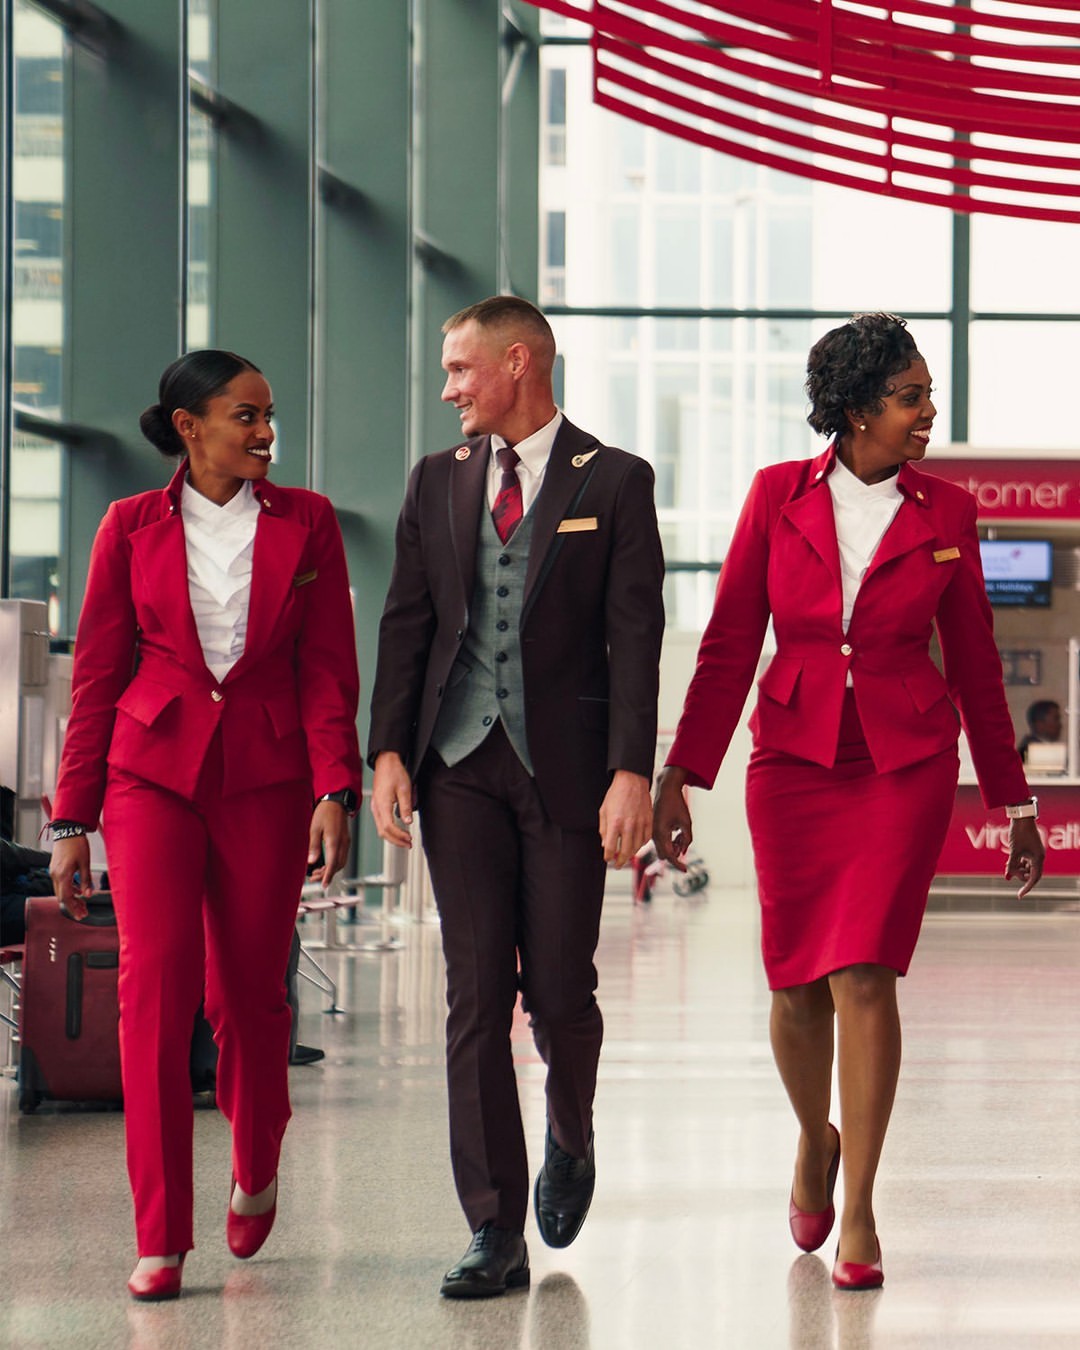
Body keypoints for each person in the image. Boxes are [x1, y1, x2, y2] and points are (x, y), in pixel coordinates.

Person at [653, 313, 1044, 1292]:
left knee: (865, 974)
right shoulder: (773, 497)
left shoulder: (947, 512)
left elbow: (981, 666)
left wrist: (1015, 801)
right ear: (859, 407)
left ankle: (861, 1203)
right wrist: (682, 773)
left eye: (926, 395)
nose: (929, 414)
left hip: (905, 762)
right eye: (912, 397)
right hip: (791, 760)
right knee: (794, 984)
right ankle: (812, 1137)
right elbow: (731, 642)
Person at [47, 350, 362, 1302]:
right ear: (189, 427)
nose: (267, 433)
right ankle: (160, 1236)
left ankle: (257, 1156)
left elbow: (326, 668)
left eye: (270, 417)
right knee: (154, 987)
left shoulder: (307, 524)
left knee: (248, 996)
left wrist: (333, 789)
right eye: (247, 416)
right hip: (151, 777)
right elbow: (97, 675)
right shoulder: (129, 527)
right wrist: (71, 816)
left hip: (266, 778)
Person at [368, 295, 664, 1298]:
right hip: (459, 768)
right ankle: (493, 1226)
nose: (448, 388)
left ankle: (570, 1133)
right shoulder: (434, 483)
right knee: (475, 995)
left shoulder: (615, 481)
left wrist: (634, 771)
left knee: (562, 994)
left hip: (570, 773)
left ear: (518, 361)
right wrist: (388, 754)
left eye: (460, 369)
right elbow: (407, 628)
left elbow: (636, 636)